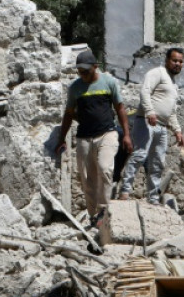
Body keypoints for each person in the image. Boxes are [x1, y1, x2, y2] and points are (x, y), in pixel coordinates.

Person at [55, 48, 132, 224]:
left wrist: (126, 135)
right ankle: (92, 214)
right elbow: (68, 114)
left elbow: (120, 108)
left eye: (86, 71)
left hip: (107, 133)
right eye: (79, 72)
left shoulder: (109, 82)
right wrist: (61, 139)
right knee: (87, 178)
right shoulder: (75, 88)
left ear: (95, 67)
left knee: (105, 169)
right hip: (84, 137)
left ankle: (103, 212)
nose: (82, 75)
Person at [118, 48, 184, 204]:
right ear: (167, 60)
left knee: (158, 162)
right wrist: (150, 112)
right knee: (140, 155)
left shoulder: (173, 84)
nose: (178, 64)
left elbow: (172, 112)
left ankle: (153, 197)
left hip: (162, 127)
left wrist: (177, 130)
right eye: (175, 60)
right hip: (146, 121)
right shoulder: (157, 73)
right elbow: (145, 92)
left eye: (180, 62)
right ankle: (125, 190)